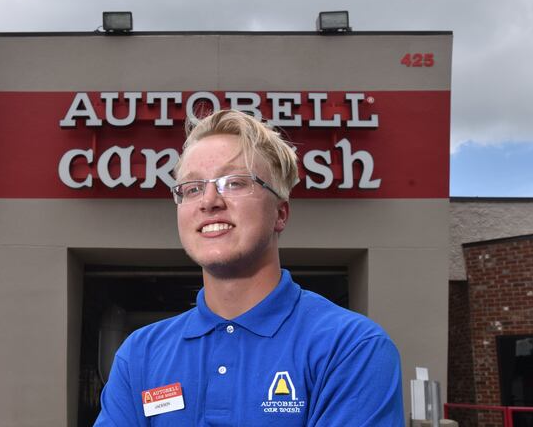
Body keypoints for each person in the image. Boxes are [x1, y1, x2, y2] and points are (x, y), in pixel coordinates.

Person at [94, 109, 404, 426]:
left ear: (280, 214)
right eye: (192, 188)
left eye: (235, 182)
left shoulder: (351, 347)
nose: (209, 201)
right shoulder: (140, 354)